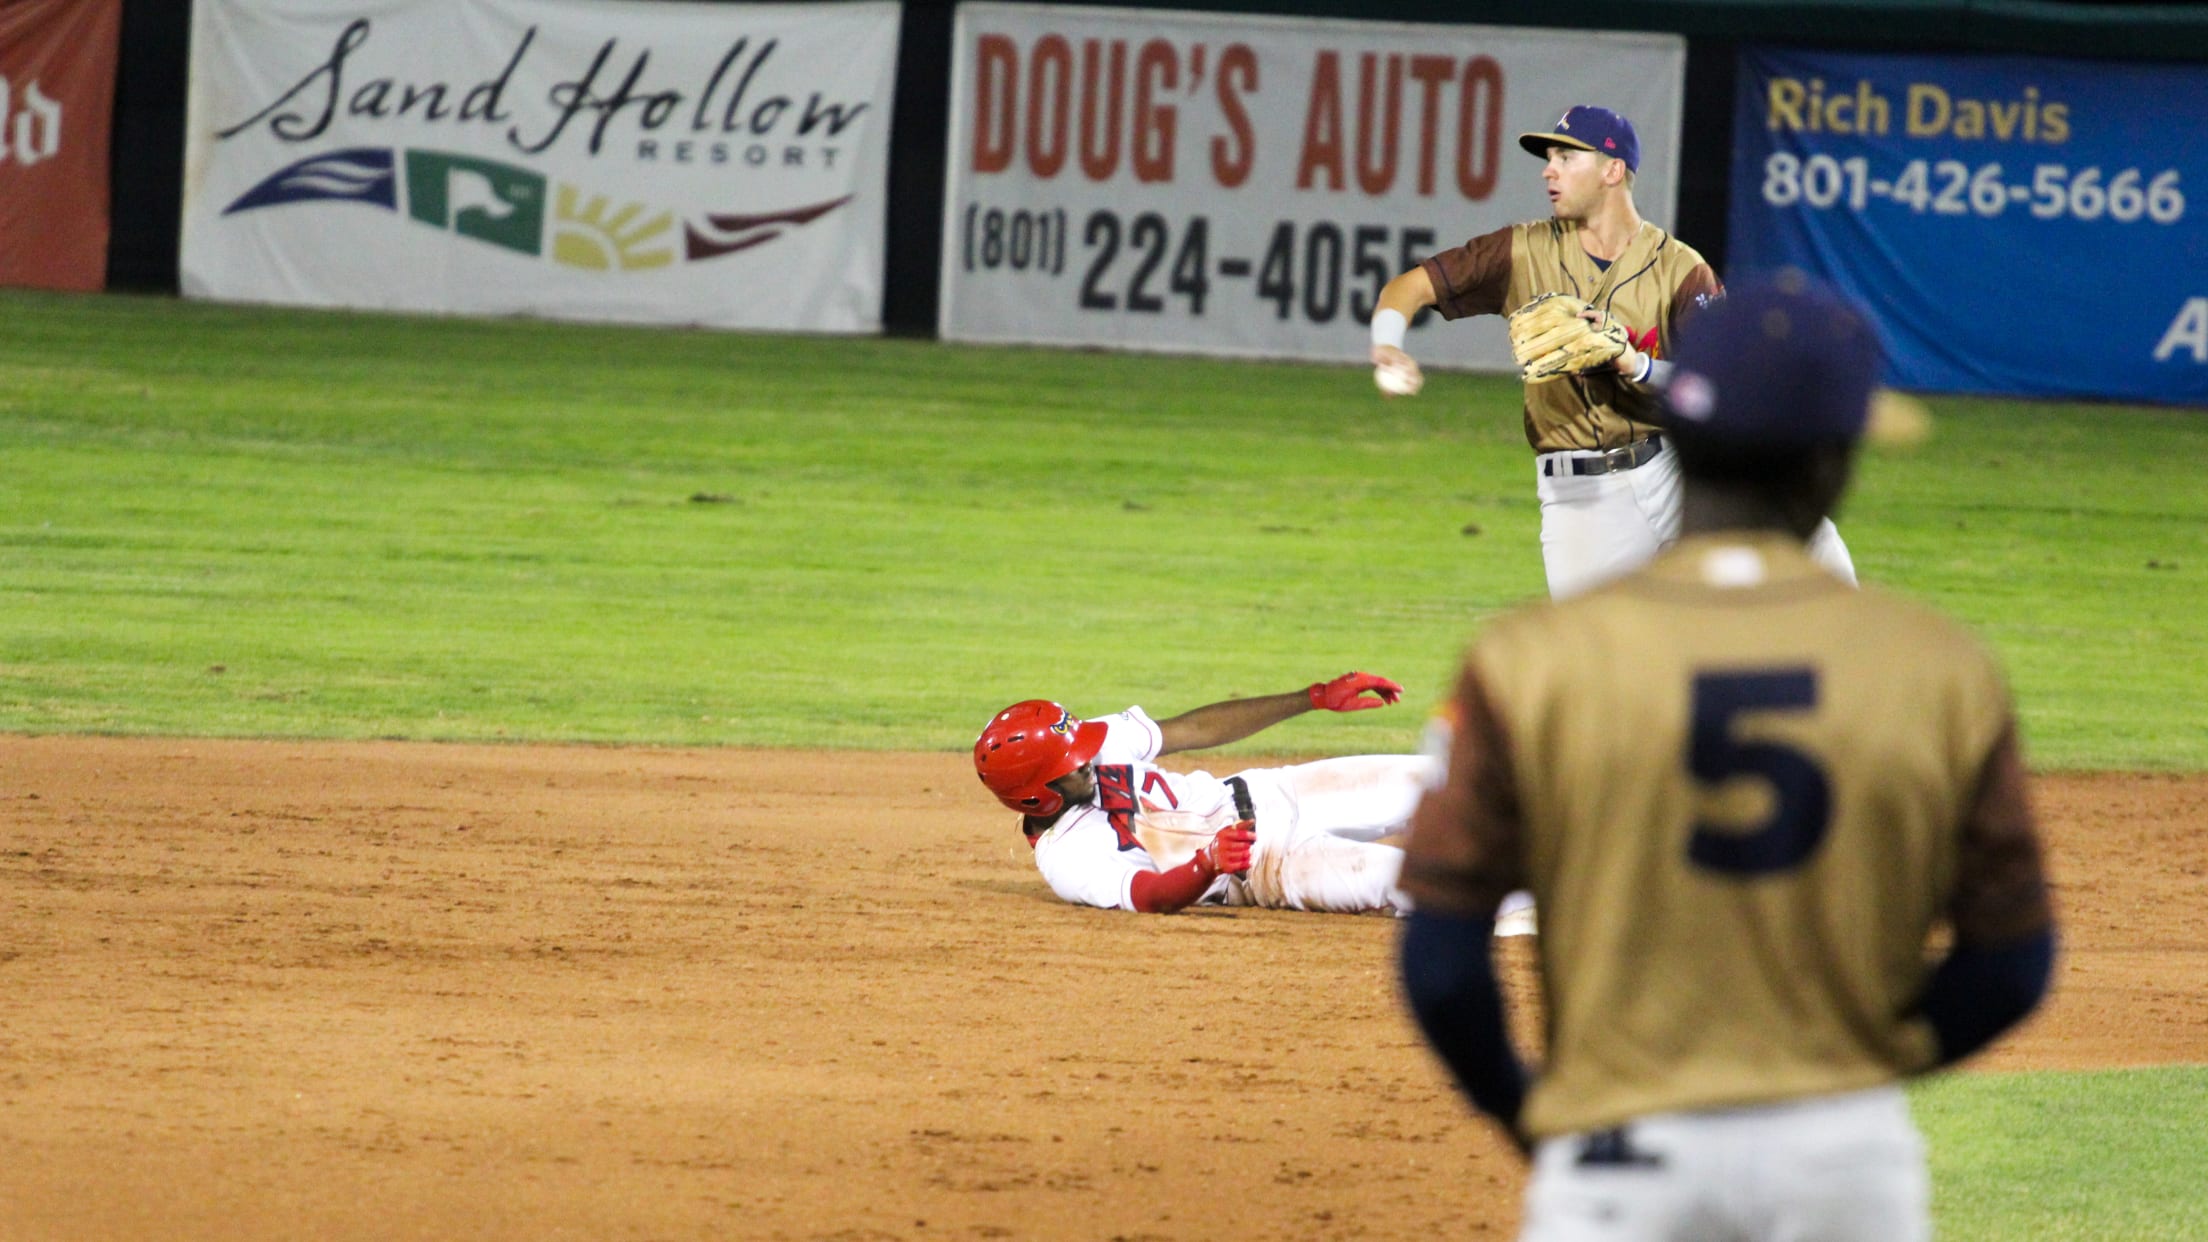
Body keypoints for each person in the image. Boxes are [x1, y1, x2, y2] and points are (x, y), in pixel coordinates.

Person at [1394, 271, 2057, 1241]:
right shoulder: (1937, 668)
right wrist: (1859, 1065)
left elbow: (1444, 966)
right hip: (1841, 1166)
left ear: (1681, 434)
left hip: (1618, 1158)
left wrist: (1529, 1110)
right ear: (1831, 464)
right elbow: (2013, 965)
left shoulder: (1529, 661)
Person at [1368, 104, 1857, 599]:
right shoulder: (1519, 251)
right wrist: (1387, 345)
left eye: (1565, 157)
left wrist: (1635, 365)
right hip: (1582, 498)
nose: (1548, 170)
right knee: (1593, 646)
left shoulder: (1679, 269)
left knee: (1817, 554)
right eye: (1549, 159)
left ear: (1613, 170)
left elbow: (1726, 385)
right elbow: (1407, 288)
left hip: (1672, 470)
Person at [976, 671, 1493, 918]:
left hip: (1282, 792)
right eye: (1073, 766)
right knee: (1433, 883)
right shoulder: (1069, 858)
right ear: (1036, 797)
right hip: (1268, 867)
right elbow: (1149, 896)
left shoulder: (1086, 743)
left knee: (1451, 781)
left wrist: (1312, 697)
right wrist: (1207, 864)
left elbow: (1196, 728)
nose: (1089, 757)